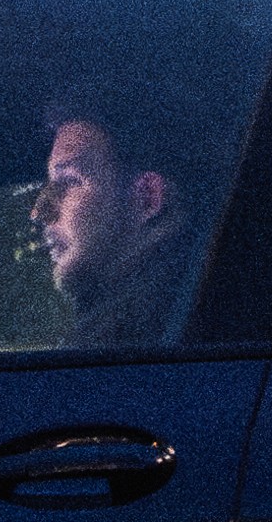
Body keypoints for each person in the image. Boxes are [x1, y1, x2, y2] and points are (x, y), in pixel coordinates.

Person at [33, 91, 207, 350]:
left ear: (148, 197)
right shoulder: (178, 308)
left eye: (69, 181)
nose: (38, 212)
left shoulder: (131, 338)